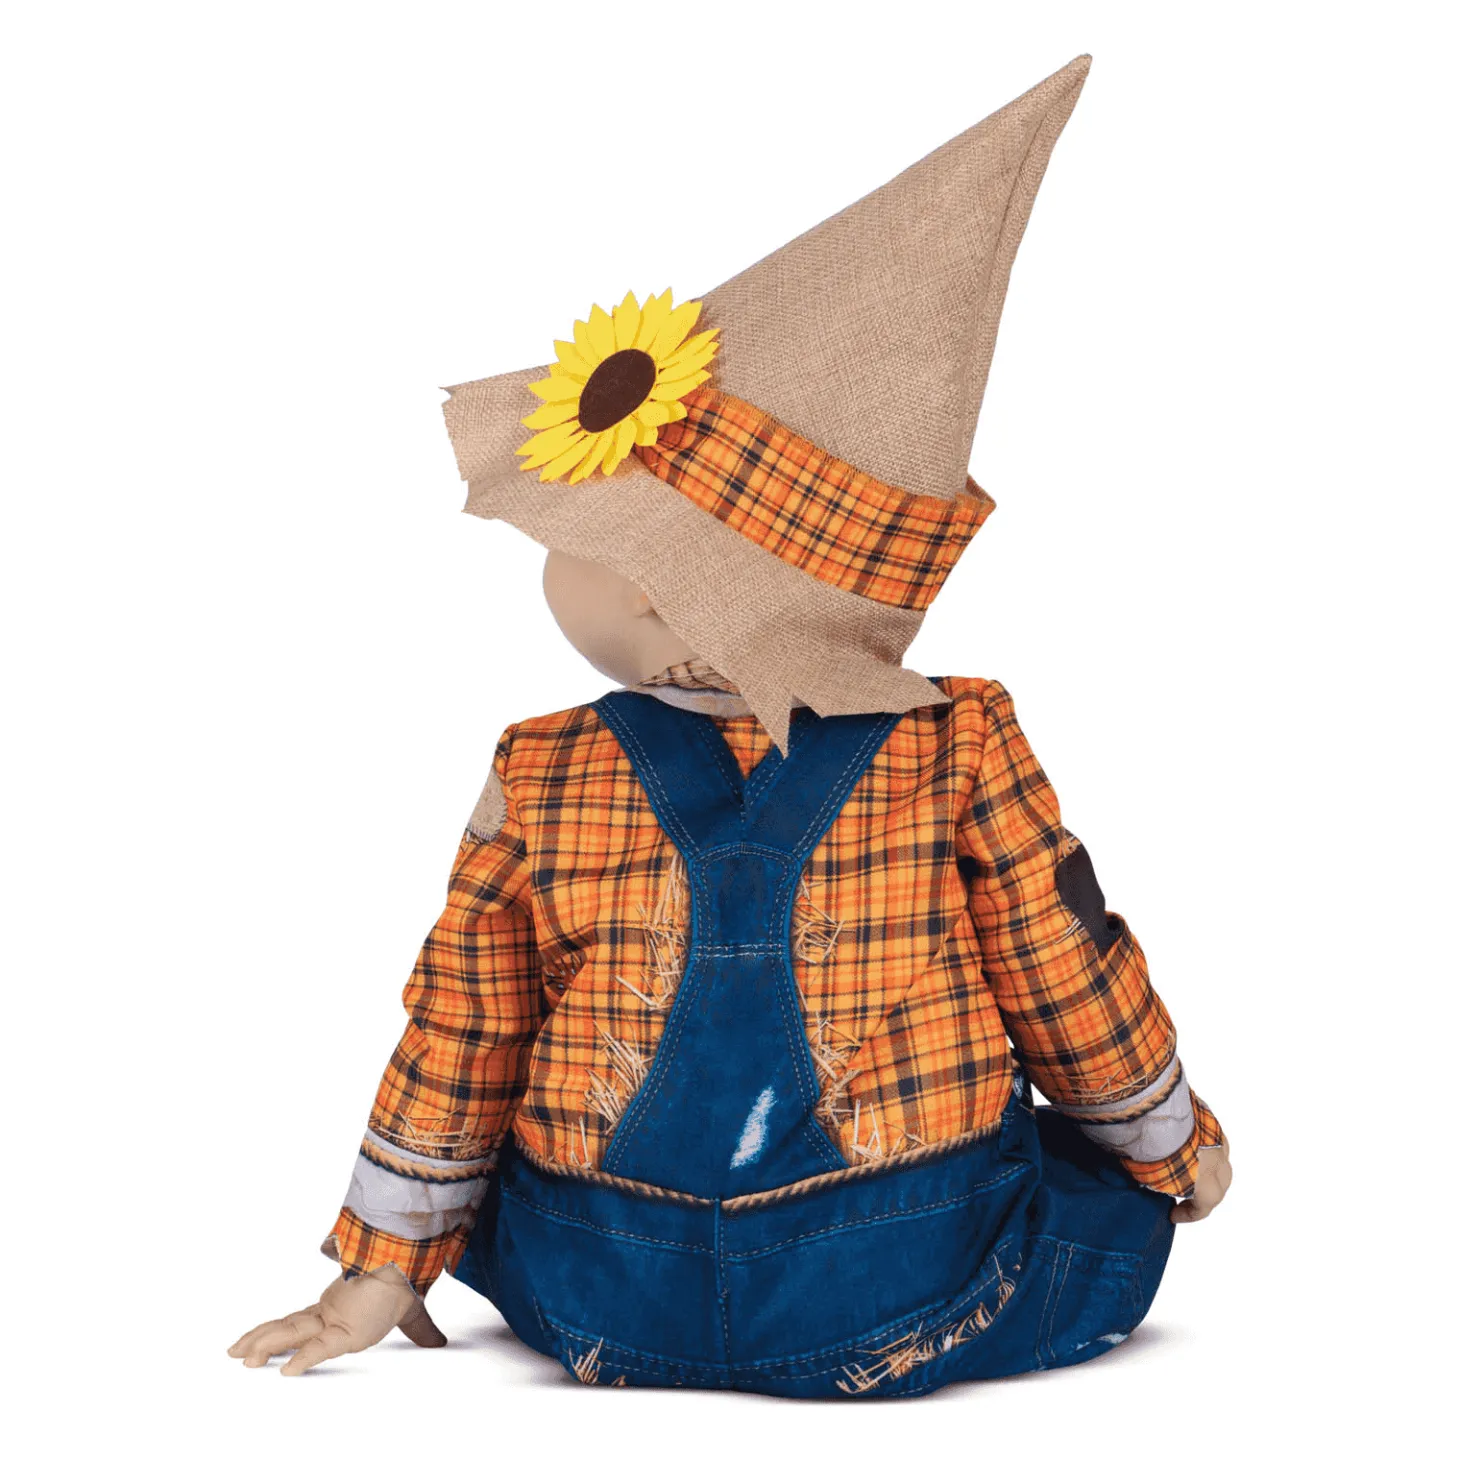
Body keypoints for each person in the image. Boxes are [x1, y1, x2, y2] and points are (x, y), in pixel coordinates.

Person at [229, 54, 1231, 1396]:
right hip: (899, 1264)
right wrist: (1172, 1148)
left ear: (658, 590)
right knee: (1095, 1197)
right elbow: (1066, 974)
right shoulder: (959, 743)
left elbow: (463, 1027)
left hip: (604, 1279)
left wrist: (382, 1268)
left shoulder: (540, 770)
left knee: (513, 1150)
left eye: (571, 535)